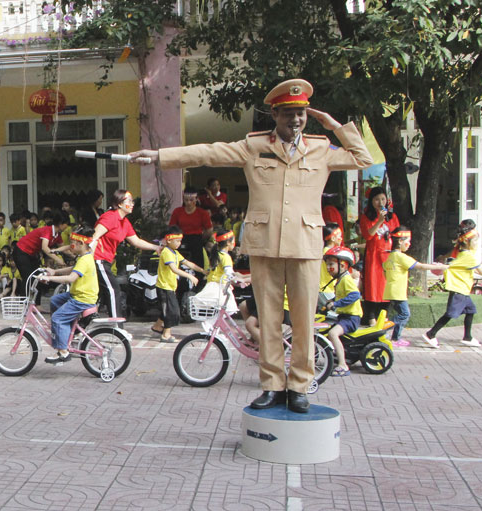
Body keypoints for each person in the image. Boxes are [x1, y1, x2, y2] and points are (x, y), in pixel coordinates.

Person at [132, 78, 372, 413]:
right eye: (288, 114)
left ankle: (299, 386)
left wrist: (333, 125)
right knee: (269, 321)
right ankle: (273, 385)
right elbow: (208, 152)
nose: (296, 120)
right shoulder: (254, 146)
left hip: (304, 246)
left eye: (301, 113)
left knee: (303, 321)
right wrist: (160, 156)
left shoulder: (320, 148)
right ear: (275, 114)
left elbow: (363, 158)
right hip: (264, 245)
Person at [90, 189, 163, 318]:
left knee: (97, 294)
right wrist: (89, 257)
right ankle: (116, 324)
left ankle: (80, 326)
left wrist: (156, 248)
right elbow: (94, 236)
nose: (132, 203)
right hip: (98, 259)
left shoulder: (124, 222)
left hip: (106, 261)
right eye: (129, 201)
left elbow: (135, 241)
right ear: (119, 204)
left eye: (132, 200)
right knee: (113, 290)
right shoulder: (110, 217)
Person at [37, 229, 100, 364]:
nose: (70, 247)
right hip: (78, 294)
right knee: (55, 300)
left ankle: (63, 351)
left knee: (57, 318)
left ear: (81, 244)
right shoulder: (85, 257)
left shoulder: (85, 260)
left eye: (72, 243)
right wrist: (54, 271)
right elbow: (73, 269)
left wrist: (50, 278)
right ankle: (66, 333)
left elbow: (71, 278)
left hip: (82, 299)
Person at [422, 223, 482, 348]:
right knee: (450, 314)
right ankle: (431, 334)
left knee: (471, 310)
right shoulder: (467, 255)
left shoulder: (463, 252)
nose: (476, 243)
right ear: (467, 242)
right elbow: (480, 270)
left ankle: (468, 337)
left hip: (463, 289)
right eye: (475, 241)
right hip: (458, 289)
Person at [382, 228, 441, 346]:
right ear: (400, 242)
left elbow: (384, 271)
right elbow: (421, 266)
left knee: (401, 314)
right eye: (408, 241)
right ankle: (382, 329)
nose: (409, 245)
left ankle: (395, 338)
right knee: (404, 314)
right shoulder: (400, 257)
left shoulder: (391, 256)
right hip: (397, 292)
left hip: (392, 290)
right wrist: (440, 267)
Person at [150, 227, 200, 343]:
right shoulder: (167, 252)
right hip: (164, 287)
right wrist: (190, 276)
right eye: (177, 241)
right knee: (172, 311)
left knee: (167, 309)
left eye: (180, 241)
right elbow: (173, 269)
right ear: (168, 240)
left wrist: (202, 270)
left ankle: (157, 326)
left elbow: (187, 263)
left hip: (170, 287)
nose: (179, 243)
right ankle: (166, 335)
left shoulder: (175, 253)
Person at [319, 247, 362, 377]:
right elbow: (340, 296)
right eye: (327, 264)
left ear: (342, 266)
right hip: (344, 316)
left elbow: (354, 295)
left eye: (331, 264)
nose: (328, 267)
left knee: (332, 334)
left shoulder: (346, 280)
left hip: (351, 318)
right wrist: (330, 302)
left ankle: (343, 365)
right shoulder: (340, 280)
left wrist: (336, 304)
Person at [358, 186, 398, 322]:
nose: (380, 202)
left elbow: (397, 235)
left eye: (382, 199)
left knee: (387, 286)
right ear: (371, 201)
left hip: (388, 257)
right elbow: (368, 235)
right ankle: (370, 317)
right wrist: (380, 221)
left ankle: (384, 315)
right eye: (376, 199)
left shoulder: (392, 217)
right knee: (373, 286)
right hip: (374, 256)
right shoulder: (366, 218)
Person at [14, 212, 71, 307]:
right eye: (66, 224)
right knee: (28, 277)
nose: (67, 227)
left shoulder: (57, 235)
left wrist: (76, 256)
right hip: (21, 251)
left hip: (31, 254)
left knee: (39, 277)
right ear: (61, 223)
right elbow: (45, 248)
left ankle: (37, 306)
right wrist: (58, 260)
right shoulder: (47, 230)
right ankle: (23, 306)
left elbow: (64, 249)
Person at [168, 188, 213, 279]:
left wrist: (202, 239)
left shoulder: (202, 213)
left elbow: (209, 229)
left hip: (196, 239)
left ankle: (199, 280)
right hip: (180, 239)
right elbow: (172, 228)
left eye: (191, 200)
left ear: (196, 200)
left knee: (198, 261)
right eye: (186, 200)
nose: (188, 203)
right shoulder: (178, 211)